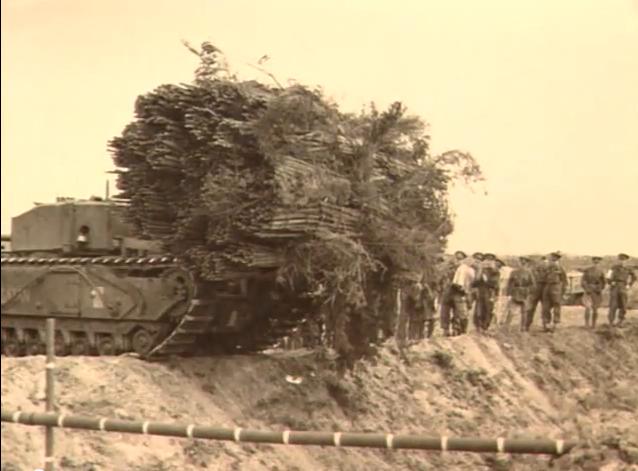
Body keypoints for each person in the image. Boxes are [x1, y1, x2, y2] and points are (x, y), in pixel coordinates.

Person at [440, 251, 475, 336]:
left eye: (460, 258)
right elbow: (441, 279)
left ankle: (457, 329)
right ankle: (446, 329)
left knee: (459, 312)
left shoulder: (465, 269)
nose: (457, 260)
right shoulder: (447, 268)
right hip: (448, 291)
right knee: (445, 311)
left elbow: (470, 280)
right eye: (456, 258)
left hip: (459, 292)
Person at [505, 256, 536, 331]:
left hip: (524, 294)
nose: (522, 264)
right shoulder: (513, 272)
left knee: (524, 311)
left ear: (527, 264)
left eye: (524, 262)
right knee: (511, 311)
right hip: (515, 293)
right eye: (520, 262)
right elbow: (509, 283)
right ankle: (506, 327)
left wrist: (527, 290)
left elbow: (533, 285)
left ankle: (523, 327)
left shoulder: (529, 272)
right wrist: (509, 293)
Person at [472, 253, 500, 332]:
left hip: (489, 291)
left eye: (490, 259)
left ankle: (485, 326)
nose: (488, 261)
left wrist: (487, 280)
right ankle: (478, 325)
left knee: (488, 309)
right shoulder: (480, 270)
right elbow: (474, 282)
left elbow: (495, 284)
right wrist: (479, 275)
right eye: (487, 259)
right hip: (480, 291)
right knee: (478, 308)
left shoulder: (495, 272)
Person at [607, 253, 636, 327]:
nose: (622, 261)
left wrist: (629, 285)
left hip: (623, 287)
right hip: (615, 287)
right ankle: (611, 321)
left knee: (623, 305)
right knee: (613, 305)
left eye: (624, 260)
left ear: (626, 261)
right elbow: (608, 276)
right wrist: (610, 282)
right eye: (620, 260)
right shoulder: (613, 267)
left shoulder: (629, 268)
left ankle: (620, 321)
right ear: (618, 260)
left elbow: (634, 277)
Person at [541, 252, 567, 331]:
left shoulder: (560, 267)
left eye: (555, 257)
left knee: (556, 305)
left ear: (557, 258)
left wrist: (562, 291)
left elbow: (564, 280)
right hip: (547, 286)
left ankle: (555, 323)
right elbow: (543, 276)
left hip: (556, 287)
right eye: (552, 257)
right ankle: (546, 323)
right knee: (545, 306)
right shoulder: (547, 266)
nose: (552, 258)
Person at [581, 256, 606, 328]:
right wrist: (586, 288)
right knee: (587, 307)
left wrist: (599, 288)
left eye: (598, 260)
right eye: (595, 260)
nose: (596, 262)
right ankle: (586, 324)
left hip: (596, 291)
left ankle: (593, 324)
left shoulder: (601, 271)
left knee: (595, 309)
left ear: (600, 262)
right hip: (588, 291)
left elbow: (603, 282)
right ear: (592, 261)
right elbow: (583, 280)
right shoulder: (588, 270)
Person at [526, 255, 547, 330]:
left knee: (545, 308)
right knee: (530, 308)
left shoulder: (546, 268)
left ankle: (545, 325)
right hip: (535, 289)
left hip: (543, 289)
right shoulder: (532, 269)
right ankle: (527, 324)